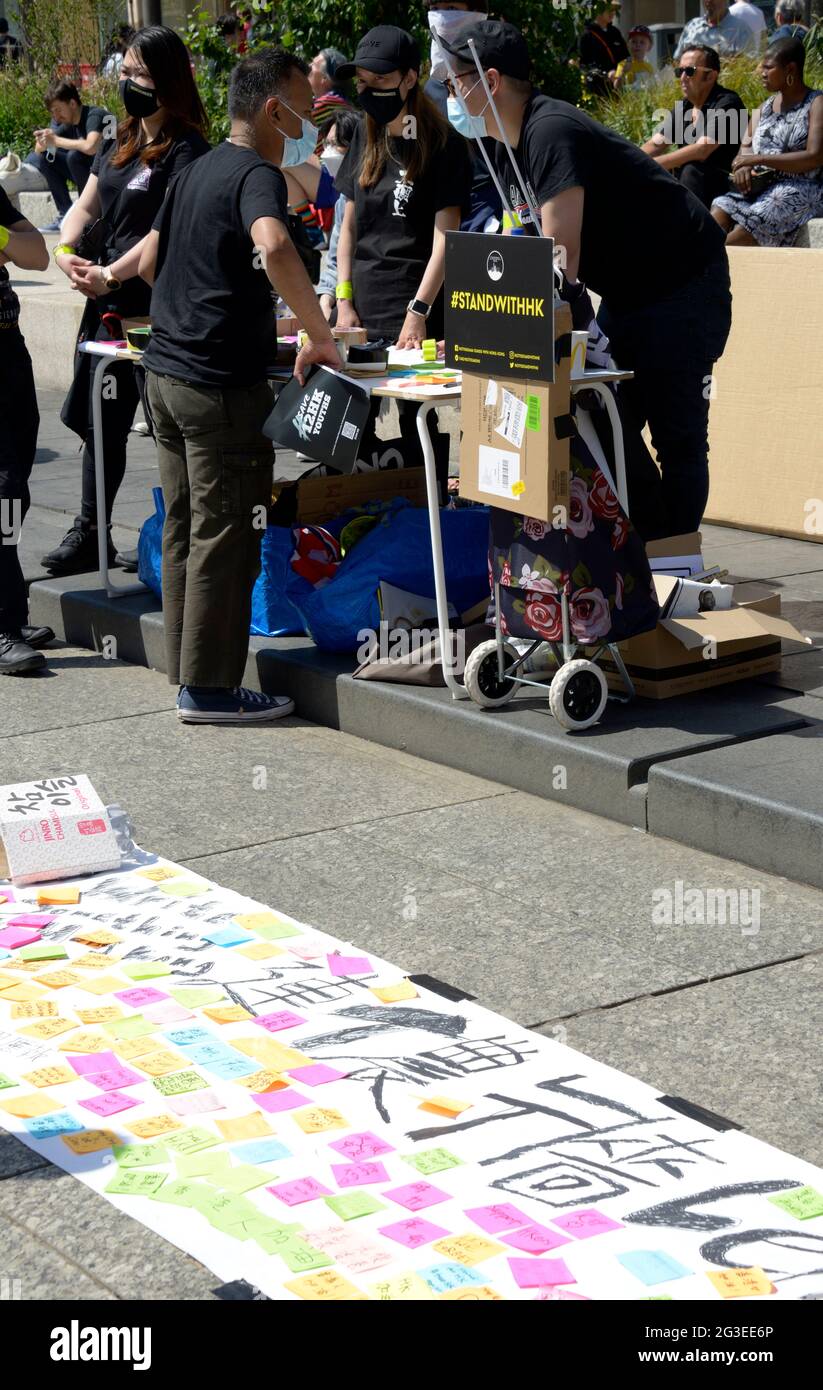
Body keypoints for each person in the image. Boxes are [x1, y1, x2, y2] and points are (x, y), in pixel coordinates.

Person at [446, 18, 732, 541]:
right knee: (611, 419)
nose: (449, 95)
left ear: (489, 81)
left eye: (453, 83)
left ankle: (673, 560)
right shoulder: (504, 150)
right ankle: (649, 548)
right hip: (629, 290)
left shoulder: (550, 130)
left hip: (685, 281)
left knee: (676, 433)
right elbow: (518, 252)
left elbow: (559, 258)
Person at [138, 48, 340, 726]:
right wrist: (319, 333)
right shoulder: (255, 173)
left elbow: (154, 263)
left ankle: (185, 667)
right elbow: (275, 245)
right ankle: (212, 689)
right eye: (304, 113)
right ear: (271, 109)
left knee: (186, 528)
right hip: (217, 389)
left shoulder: (195, 170)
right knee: (227, 535)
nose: (309, 126)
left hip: (165, 378)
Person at [41, 26, 210, 578]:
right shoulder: (122, 141)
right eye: (126, 74)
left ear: (167, 80)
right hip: (105, 305)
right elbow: (85, 209)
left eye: (137, 74)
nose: (127, 84)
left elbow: (164, 233)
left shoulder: (188, 151)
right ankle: (91, 531)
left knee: (169, 426)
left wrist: (111, 275)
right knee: (101, 421)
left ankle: (185, 537)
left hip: (156, 308)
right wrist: (67, 252)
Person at [333, 25, 472, 474]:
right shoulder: (365, 134)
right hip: (363, 310)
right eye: (362, 83)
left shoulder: (444, 143)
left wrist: (419, 312)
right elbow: (348, 227)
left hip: (416, 308)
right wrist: (343, 300)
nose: (368, 92)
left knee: (420, 430)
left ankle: (421, 522)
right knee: (351, 431)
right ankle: (356, 522)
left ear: (411, 78)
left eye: (380, 81)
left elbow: (446, 241)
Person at [0, 189, 53, 674]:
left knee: (15, 492)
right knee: (3, 491)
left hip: (7, 352)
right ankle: (3, 622)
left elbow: (36, 254)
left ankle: (10, 607)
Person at [712, 36, 823, 245]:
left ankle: (710, 262)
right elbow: (745, 147)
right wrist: (742, 167)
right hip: (761, 187)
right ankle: (701, 259)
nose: (762, 74)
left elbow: (814, 157)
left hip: (801, 189)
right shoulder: (764, 107)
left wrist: (757, 159)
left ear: (790, 69)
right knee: (721, 205)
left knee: (744, 229)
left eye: (768, 68)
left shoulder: (816, 103)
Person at [425, 1, 501, 233]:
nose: (441, 16)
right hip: (441, 205)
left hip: (488, 204)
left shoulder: (499, 78)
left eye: (450, 7)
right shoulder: (430, 88)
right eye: (436, 7)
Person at [642, 47, 744, 210]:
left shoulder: (728, 103)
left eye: (689, 71)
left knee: (690, 169)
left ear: (710, 76)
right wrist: (629, 160)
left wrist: (650, 165)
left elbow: (702, 150)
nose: (682, 78)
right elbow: (655, 145)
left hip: (725, 185)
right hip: (692, 186)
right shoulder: (684, 106)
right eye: (679, 71)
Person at [25, 81, 110, 233]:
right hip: (88, 174)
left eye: (58, 110)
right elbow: (38, 150)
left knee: (74, 156)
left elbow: (91, 146)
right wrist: (44, 139)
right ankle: (65, 211)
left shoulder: (94, 115)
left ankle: (90, 213)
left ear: (72, 103)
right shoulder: (69, 124)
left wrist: (55, 141)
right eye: (52, 112)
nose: (56, 117)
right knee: (45, 157)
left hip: (107, 177)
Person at [675, 0, 756, 60]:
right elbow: (677, 60)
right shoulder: (692, 26)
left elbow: (749, 66)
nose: (709, 1)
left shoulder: (741, 28)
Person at [578, 7, 629, 97]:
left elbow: (624, 56)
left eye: (614, 10)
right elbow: (584, 64)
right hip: (597, 87)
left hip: (617, 86)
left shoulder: (615, 32)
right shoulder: (586, 35)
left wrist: (619, 72)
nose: (613, 13)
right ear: (598, 10)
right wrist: (606, 73)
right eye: (609, 9)